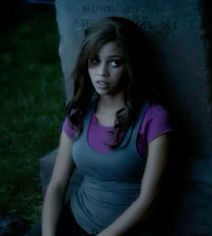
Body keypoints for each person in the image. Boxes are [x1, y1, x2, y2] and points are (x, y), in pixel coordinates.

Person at [42, 16, 174, 236]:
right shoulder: (79, 112)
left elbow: (148, 201)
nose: (101, 73)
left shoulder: (154, 119)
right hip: (76, 219)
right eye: (95, 61)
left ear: (131, 64)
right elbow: (57, 184)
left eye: (114, 62)